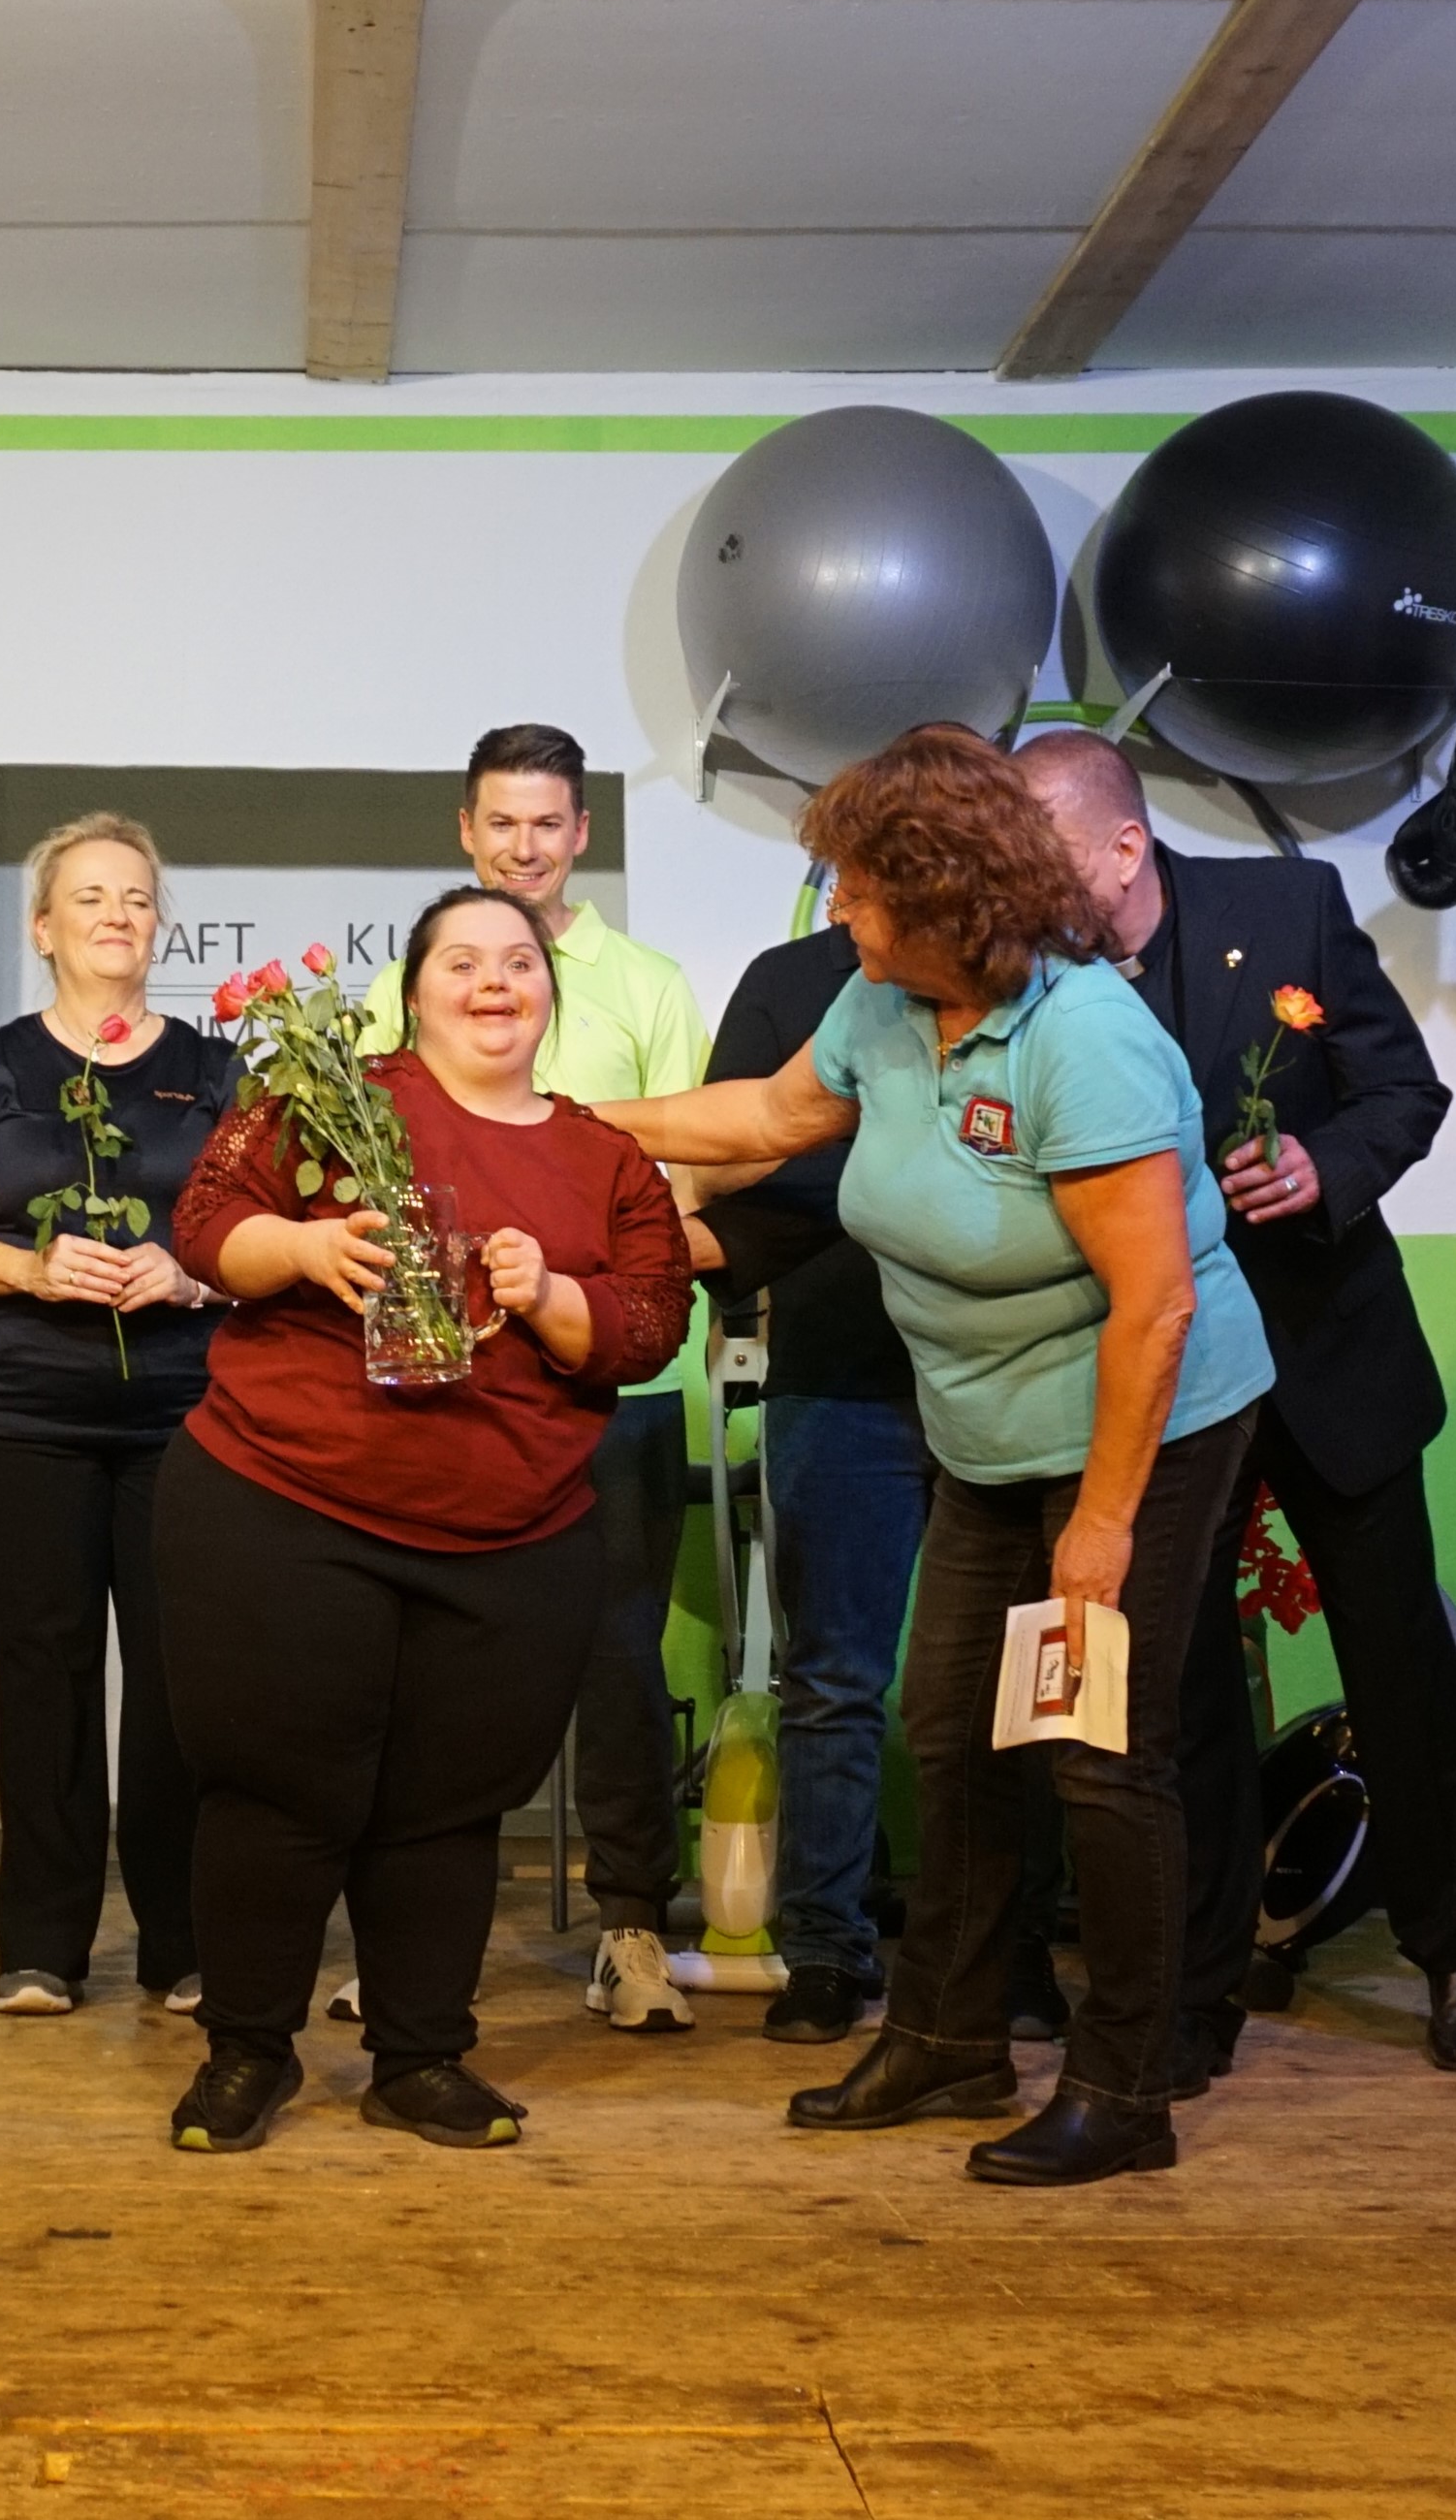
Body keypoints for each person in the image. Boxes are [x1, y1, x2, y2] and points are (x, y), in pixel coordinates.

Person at [599, 725, 1272, 2188]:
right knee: (949, 1730)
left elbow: (1151, 1306)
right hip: (980, 1427)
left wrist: (1096, 1527)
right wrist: (564, 1125)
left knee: (1097, 1754)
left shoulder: (1081, 1039)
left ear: (941, 890)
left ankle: (1122, 2080)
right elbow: (773, 1117)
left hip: (1138, 1427)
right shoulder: (884, 1004)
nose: (835, 911)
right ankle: (951, 2030)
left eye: (853, 888)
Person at [1020, 727, 1456, 2082]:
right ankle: (1194, 1989)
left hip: (1322, 1353)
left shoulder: (1285, 907)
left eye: (1033, 852)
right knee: (1173, 1689)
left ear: (1119, 846)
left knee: (1398, 1665)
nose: (1011, 883)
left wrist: (1322, 1163)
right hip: (1160, 1380)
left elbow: (1401, 1089)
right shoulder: (1030, 972)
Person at [157, 888, 693, 2155]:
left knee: (443, 1809)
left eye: (518, 962)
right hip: (281, 1505)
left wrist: (553, 1292)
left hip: (509, 1541)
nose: (493, 983)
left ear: (548, 992)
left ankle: (420, 2056)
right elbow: (204, 1223)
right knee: (277, 1794)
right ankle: (245, 2049)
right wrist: (299, 1247)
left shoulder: (600, 1155)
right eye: (463, 960)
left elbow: (650, 1320)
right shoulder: (329, 1093)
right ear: (414, 985)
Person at [356, 724, 712, 2032]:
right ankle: (396, 1934)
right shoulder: (417, 980)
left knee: (612, 1652)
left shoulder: (647, 986)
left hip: (602, 1383)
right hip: (436, 1377)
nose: (523, 846)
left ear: (580, 834)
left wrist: (574, 1284)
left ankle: (629, 1930)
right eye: (500, 824)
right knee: (417, 1653)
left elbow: (686, 1195)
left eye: (547, 825)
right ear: (466, 830)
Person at [0, 814, 238, 2017]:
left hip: (189, 1416)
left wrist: (198, 1274)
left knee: (174, 1678)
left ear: (159, 925)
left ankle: (180, 1941)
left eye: (137, 897)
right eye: (88, 896)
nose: (115, 913)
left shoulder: (217, 1071)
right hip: (26, 1414)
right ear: (42, 928)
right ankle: (40, 1942)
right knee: (40, 1672)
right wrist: (35, 1269)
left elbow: (269, 1244)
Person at [687, 911, 947, 2046]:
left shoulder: (1032, 975)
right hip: (839, 1371)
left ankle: (1006, 1946)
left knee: (1005, 1688)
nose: (852, 890)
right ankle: (826, 1950)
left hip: (1008, 1378)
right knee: (831, 1679)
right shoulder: (790, 980)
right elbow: (720, 1162)